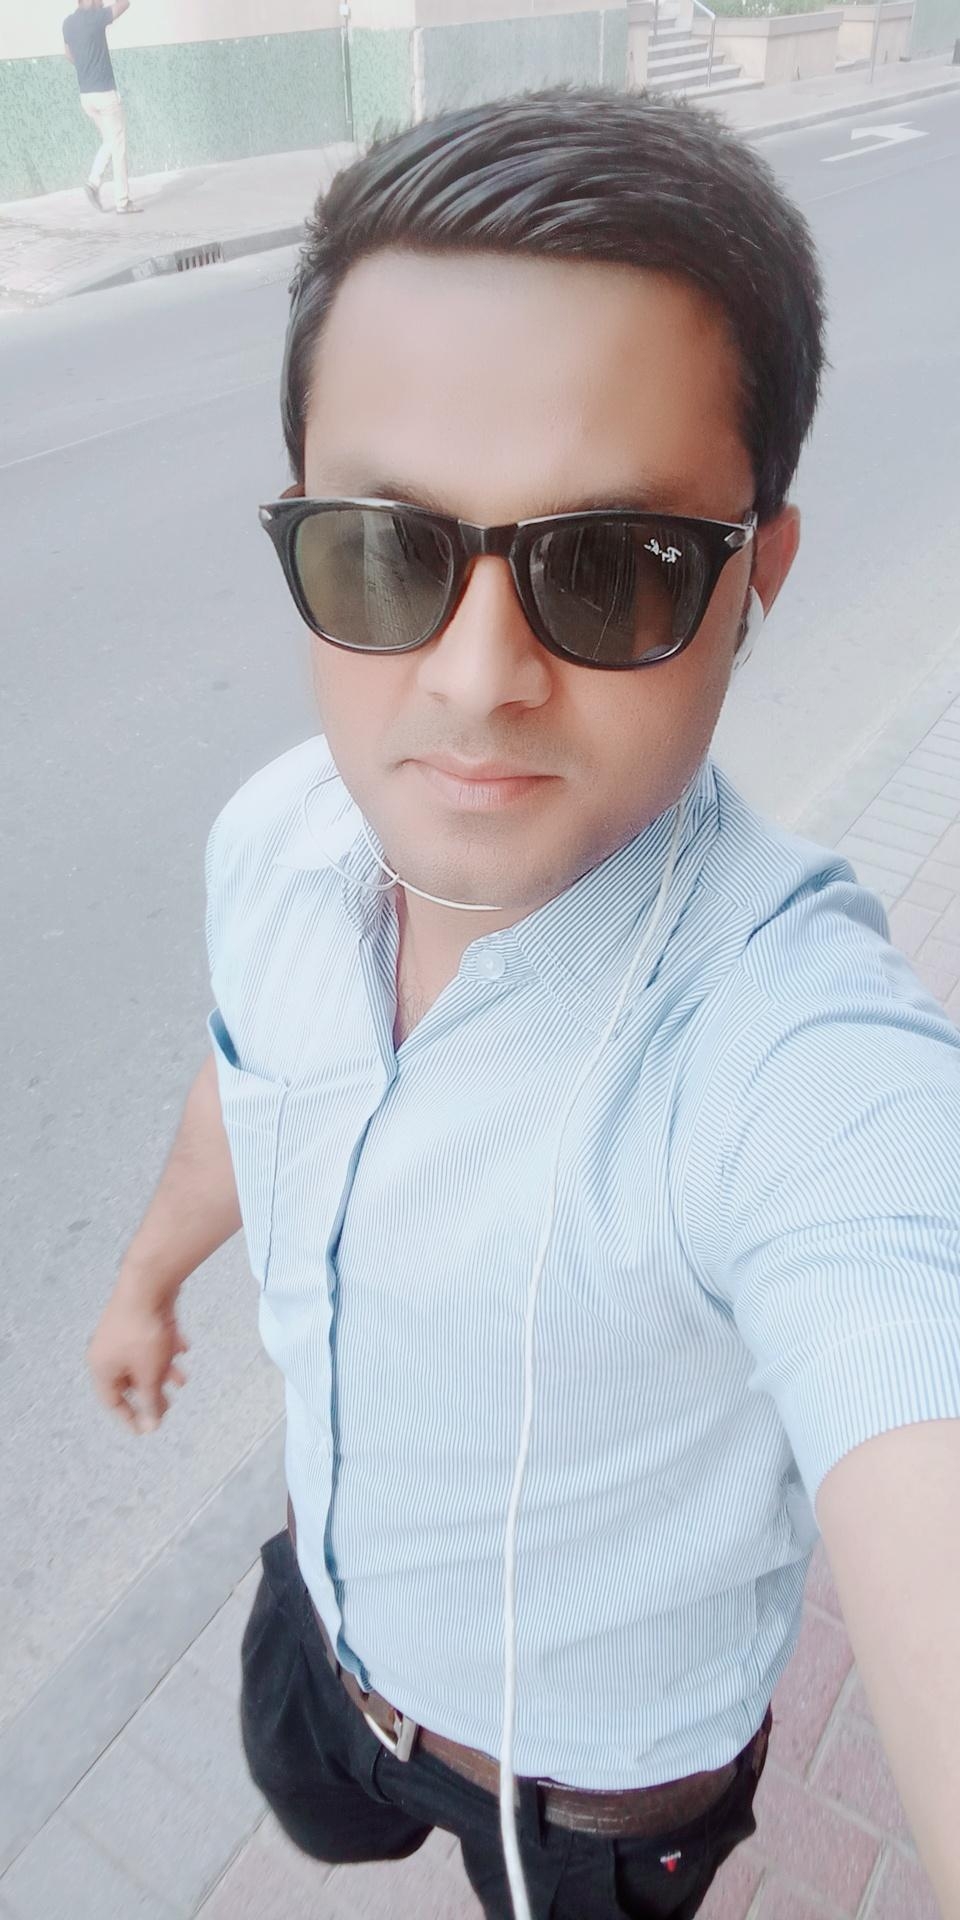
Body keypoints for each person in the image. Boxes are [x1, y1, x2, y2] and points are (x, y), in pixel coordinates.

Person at [87, 90, 960, 1920]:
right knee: (317, 1808)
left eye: (616, 566)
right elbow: (251, 1075)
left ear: (758, 582)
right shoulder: (278, 837)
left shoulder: (789, 1050)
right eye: (381, 550)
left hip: (588, 1804)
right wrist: (148, 1277)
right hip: (327, 1632)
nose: (479, 679)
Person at [63, 0, 139, 215]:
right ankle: (123, 201)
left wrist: (86, 66)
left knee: (109, 141)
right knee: (118, 146)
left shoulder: (68, 23)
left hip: (86, 96)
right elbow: (124, 4)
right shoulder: (96, 18)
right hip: (105, 94)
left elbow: (68, 54)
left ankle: (93, 182)